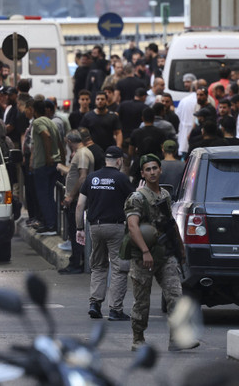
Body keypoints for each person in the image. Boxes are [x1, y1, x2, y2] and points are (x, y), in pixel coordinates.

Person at [125, 154, 196, 352]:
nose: (152, 172)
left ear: (160, 170)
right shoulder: (137, 198)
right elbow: (132, 227)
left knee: (175, 295)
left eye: (155, 168)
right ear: (142, 173)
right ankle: (138, 338)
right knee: (142, 300)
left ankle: (176, 339)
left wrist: (180, 249)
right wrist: (145, 251)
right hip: (143, 258)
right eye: (147, 169)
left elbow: (170, 223)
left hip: (165, 255)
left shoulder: (164, 194)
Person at [76, 146, 135, 319]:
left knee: (98, 266)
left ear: (105, 160)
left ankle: (95, 303)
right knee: (119, 267)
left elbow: (80, 206)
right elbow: (134, 200)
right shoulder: (121, 178)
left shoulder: (91, 178)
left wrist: (79, 228)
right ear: (119, 161)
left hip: (95, 227)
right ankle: (115, 309)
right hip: (116, 227)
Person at [56, 130, 95, 274]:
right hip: (77, 198)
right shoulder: (81, 153)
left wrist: (71, 196)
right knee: (75, 232)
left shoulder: (82, 154)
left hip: (78, 199)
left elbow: (82, 177)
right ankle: (77, 260)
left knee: (76, 231)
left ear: (69, 142)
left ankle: (76, 262)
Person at [31, 99, 64, 235]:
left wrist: (48, 157)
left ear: (34, 110)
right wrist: (60, 159)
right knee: (50, 196)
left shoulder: (38, 122)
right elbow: (60, 142)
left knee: (44, 196)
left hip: (44, 164)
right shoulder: (52, 121)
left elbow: (47, 136)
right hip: (54, 164)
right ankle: (52, 223)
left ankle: (51, 225)